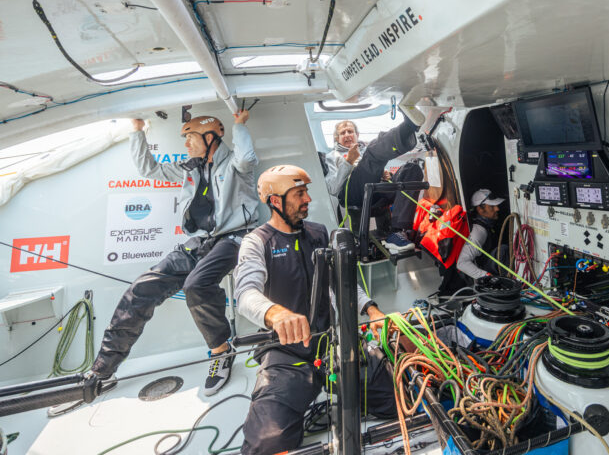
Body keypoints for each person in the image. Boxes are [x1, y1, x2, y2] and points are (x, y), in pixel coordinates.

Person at [90, 111, 259, 394]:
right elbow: (149, 169)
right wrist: (137, 130)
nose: (186, 144)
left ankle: (221, 351)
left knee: (197, 286)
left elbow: (246, 158)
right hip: (199, 242)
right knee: (140, 290)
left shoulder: (234, 164)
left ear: (210, 137)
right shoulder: (188, 168)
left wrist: (239, 126)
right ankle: (102, 371)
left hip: (235, 238)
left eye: (190, 137)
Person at [234, 165, 395, 454]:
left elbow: (343, 284)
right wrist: (275, 313)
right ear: (275, 201)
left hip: (334, 344)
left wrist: (371, 310)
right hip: (287, 355)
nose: (307, 198)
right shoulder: (257, 242)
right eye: (299, 193)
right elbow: (246, 294)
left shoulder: (319, 233)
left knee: (397, 399)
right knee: (266, 444)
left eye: (306, 191)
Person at [324, 116, 423, 252]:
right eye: (342, 133)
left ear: (357, 135)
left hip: (376, 190)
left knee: (412, 169)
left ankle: (397, 231)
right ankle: (407, 128)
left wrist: (387, 175)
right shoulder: (332, 156)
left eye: (350, 131)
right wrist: (349, 162)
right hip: (353, 194)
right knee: (372, 153)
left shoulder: (365, 150)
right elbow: (333, 188)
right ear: (336, 138)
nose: (347, 135)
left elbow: (374, 166)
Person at [456, 188, 506, 281]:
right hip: (482, 274)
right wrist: (486, 277)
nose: (497, 208)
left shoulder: (488, 225)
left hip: (486, 265)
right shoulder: (478, 231)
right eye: (491, 206)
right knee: (503, 250)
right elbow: (461, 263)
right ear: (480, 210)